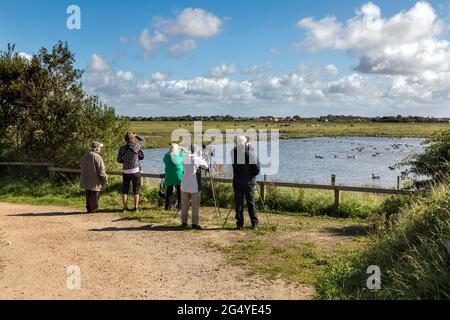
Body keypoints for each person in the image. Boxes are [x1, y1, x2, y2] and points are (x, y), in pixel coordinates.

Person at [231, 136, 260, 230]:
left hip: (237, 181)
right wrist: (249, 148)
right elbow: (257, 169)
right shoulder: (250, 154)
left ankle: (240, 224)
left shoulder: (233, 153)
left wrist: (244, 146)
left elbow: (236, 150)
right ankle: (254, 223)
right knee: (251, 202)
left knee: (239, 203)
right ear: (245, 143)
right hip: (248, 182)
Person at [180, 144, 208, 230]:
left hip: (184, 184)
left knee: (184, 205)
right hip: (194, 186)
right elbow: (206, 166)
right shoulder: (197, 159)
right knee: (195, 205)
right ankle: (194, 223)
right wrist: (201, 157)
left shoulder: (184, 158)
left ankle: (184, 222)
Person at [117, 132, 145, 212]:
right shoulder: (136, 146)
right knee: (136, 190)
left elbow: (118, 160)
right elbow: (142, 140)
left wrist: (125, 161)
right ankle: (136, 207)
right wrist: (136, 135)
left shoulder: (122, 148)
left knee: (125, 190)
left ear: (125, 139)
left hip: (126, 171)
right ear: (132, 139)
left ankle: (125, 208)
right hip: (135, 171)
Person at [80, 141, 107, 213]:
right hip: (95, 179)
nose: (100, 149)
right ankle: (93, 209)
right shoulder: (97, 157)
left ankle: (88, 207)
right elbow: (101, 169)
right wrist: (104, 178)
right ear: (97, 148)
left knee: (88, 192)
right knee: (95, 193)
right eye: (99, 147)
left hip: (86, 177)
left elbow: (81, 165)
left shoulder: (86, 155)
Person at [163, 144, 185, 211]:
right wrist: (182, 149)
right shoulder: (180, 155)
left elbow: (164, 160)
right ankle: (180, 207)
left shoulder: (166, 156)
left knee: (169, 191)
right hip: (178, 175)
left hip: (168, 175)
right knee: (180, 192)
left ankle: (167, 207)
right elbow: (186, 155)